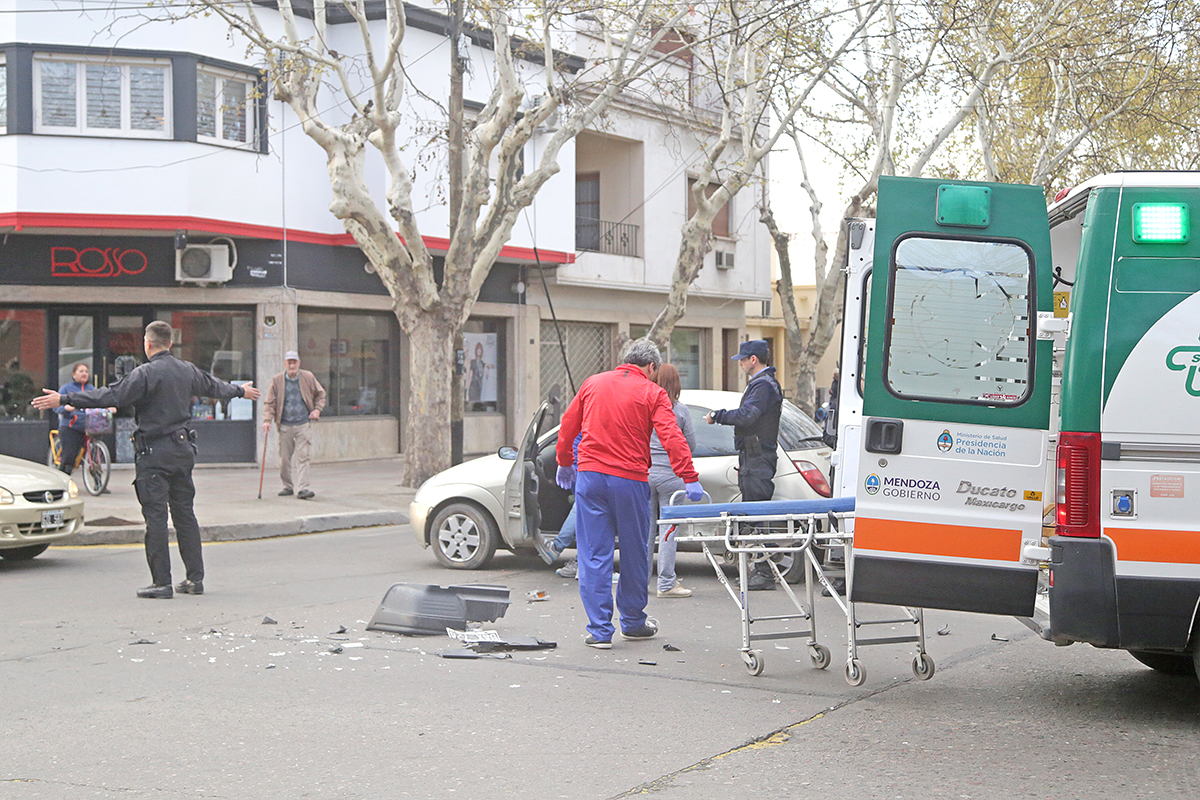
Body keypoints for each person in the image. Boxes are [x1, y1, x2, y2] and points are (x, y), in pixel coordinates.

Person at [32, 321, 261, 599]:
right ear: (170, 343)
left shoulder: (145, 373)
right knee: (185, 515)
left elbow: (110, 395)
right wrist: (240, 391)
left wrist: (64, 399)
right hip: (182, 450)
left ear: (147, 343)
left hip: (154, 453)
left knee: (156, 518)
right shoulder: (187, 369)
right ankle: (195, 579)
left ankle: (161, 582)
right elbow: (214, 386)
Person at [554, 338, 703, 649]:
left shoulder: (593, 383)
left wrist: (565, 461)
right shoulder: (653, 392)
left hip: (590, 478)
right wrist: (688, 476)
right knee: (635, 551)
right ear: (651, 366)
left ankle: (599, 631)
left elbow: (568, 424)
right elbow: (671, 435)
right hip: (629, 479)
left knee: (593, 554)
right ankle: (633, 622)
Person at [705, 339, 783, 591]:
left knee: (757, 515)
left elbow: (748, 415)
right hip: (754, 456)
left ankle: (765, 572)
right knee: (755, 515)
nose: (740, 364)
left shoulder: (763, 385)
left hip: (757, 457)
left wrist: (718, 416)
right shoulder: (764, 384)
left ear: (753, 360)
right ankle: (764, 566)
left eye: (743, 359)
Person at [648, 363, 697, 598]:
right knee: (668, 531)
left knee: (645, 531)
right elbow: (690, 445)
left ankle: (640, 582)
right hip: (672, 475)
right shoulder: (680, 410)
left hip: (646, 474)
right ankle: (666, 583)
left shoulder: (645, 407)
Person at [262, 350, 326, 500]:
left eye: (294, 362)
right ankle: (287, 486)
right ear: (285, 364)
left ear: (299, 363)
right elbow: (269, 403)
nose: (292, 365)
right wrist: (267, 420)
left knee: (303, 457)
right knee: (284, 460)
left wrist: (317, 409)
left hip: (303, 423)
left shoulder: (308, 377)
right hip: (285, 425)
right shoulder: (277, 380)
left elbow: (321, 394)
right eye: (289, 362)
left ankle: (303, 488)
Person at [53, 362, 115, 478]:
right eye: (81, 371)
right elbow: (56, 406)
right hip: (71, 427)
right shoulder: (66, 389)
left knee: (95, 454)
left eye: (86, 371)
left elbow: (100, 402)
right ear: (74, 374)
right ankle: (63, 478)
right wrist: (65, 408)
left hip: (90, 426)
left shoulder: (92, 389)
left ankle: (98, 481)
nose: (84, 374)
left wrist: (108, 408)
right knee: (69, 455)